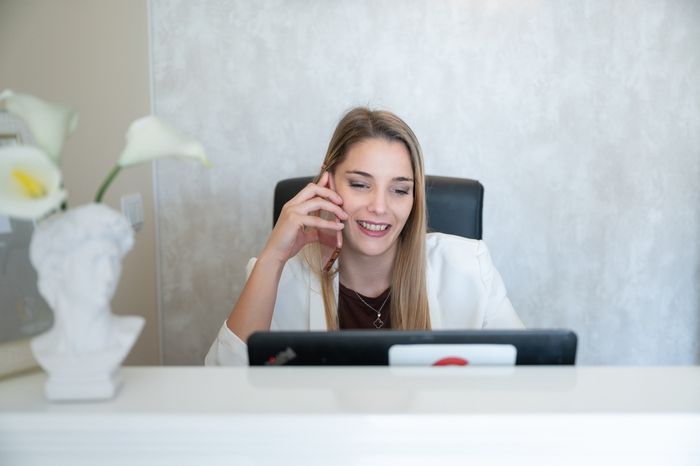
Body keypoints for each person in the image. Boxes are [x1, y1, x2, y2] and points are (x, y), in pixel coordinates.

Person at [206, 107, 523, 366]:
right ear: (327, 183)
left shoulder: (470, 266)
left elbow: (530, 379)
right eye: (360, 184)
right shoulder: (279, 277)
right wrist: (272, 258)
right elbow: (222, 391)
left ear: (414, 199)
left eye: (399, 190)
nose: (380, 207)